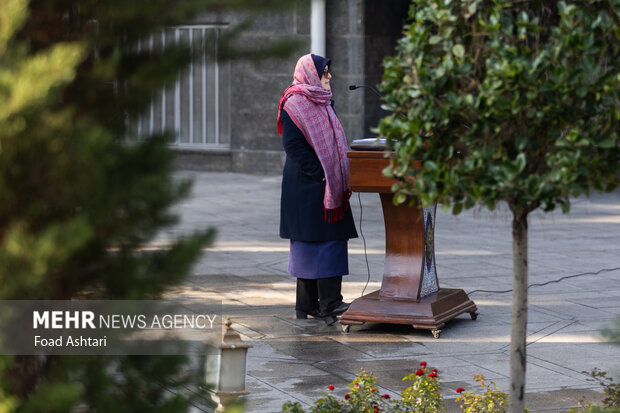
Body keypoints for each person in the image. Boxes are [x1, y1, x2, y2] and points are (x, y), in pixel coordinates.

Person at [277, 54, 358, 326]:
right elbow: (294, 147)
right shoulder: (294, 103)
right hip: (307, 185)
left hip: (326, 183)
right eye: (325, 73)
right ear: (311, 74)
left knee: (326, 243)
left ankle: (315, 303)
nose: (330, 77)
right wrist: (322, 174)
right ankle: (322, 303)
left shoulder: (323, 102)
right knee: (312, 244)